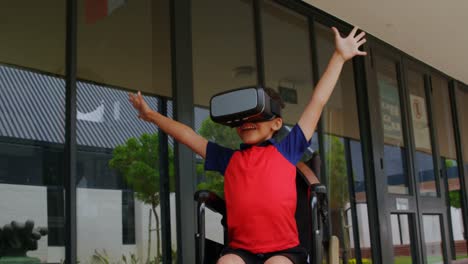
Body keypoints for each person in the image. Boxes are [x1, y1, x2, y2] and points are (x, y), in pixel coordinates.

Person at [129, 26, 366, 264]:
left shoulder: (288, 149)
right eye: (241, 120)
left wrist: (339, 57)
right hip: (241, 251)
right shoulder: (228, 159)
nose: (246, 123)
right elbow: (188, 136)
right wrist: (151, 115)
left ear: (276, 124)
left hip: (284, 251)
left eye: (255, 117)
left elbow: (318, 100)